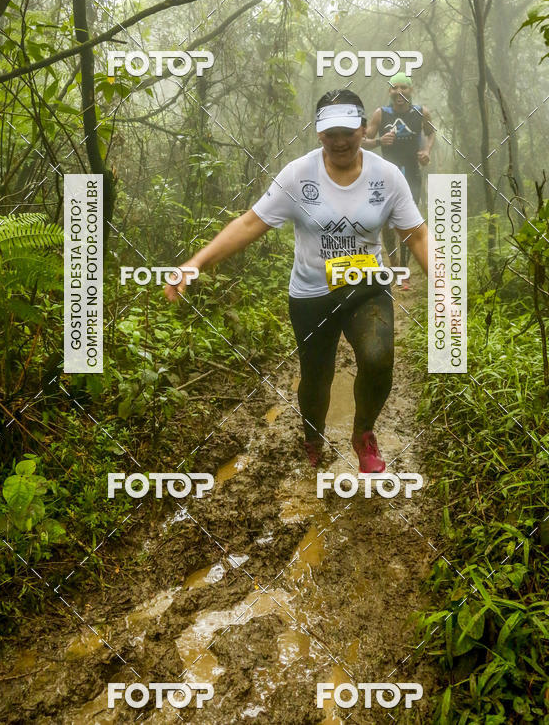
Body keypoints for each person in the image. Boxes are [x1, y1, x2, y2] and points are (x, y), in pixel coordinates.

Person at [164, 89, 428, 474]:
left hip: (366, 286)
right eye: (330, 133)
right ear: (319, 132)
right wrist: (196, 263)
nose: (340, 141)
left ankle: (363, 434)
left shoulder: (386, 177)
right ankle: (313, 434)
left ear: (362, 128)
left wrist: (445, 287)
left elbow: (417, 236)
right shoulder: (297, 175)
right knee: (316, 378)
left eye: (348, 132)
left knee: (378, 358)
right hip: (311, 294)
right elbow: (250, 224)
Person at [364, 73, 434, 289]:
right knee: (386, 221)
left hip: (412, 173)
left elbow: (431, 133)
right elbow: (363, 140)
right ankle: (394, 264)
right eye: (395, 88)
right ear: (390, 91)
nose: (399, 92)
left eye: (404, 87)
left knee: (408, 222)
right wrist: (379, 141)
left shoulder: (421, 113)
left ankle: (404, 270)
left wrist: (426, 151)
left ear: (411, 90)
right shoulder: (381, 114)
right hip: (386, 175)